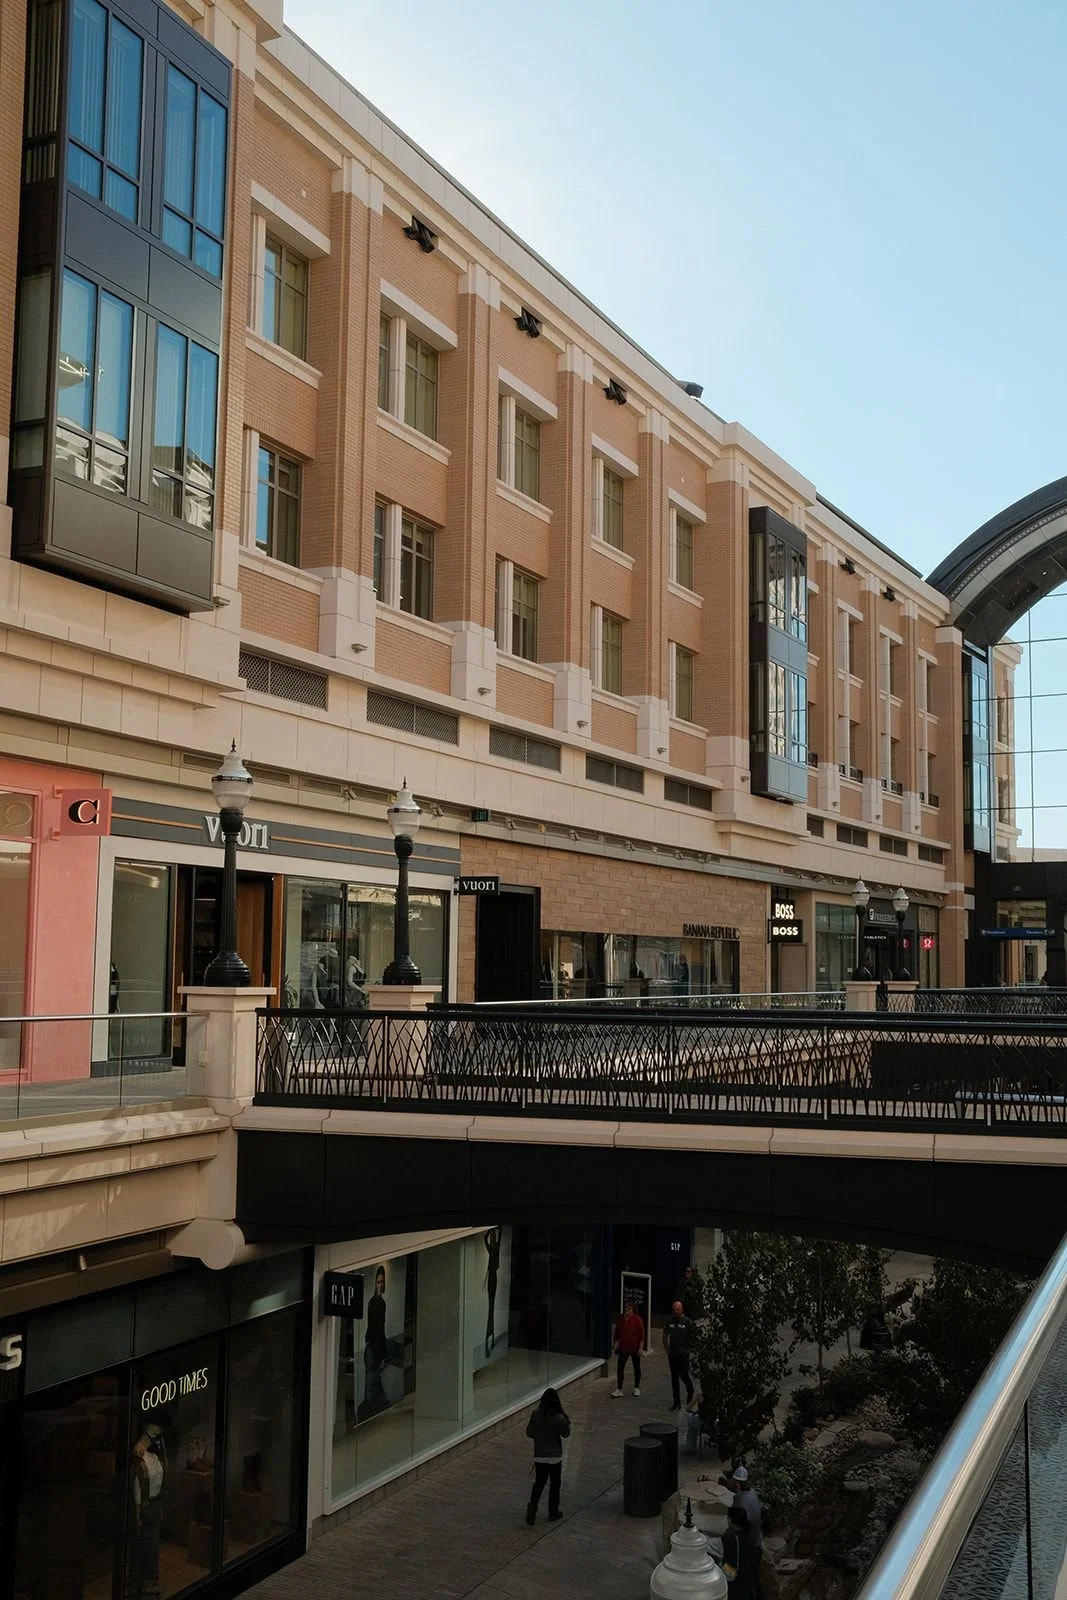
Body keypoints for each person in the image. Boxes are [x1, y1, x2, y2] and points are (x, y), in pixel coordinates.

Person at [524, 1387, 571, 1524]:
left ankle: (532, 1506)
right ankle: (553, 1512)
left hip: (540, 1456)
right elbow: (566, 1434)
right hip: (555, 1457)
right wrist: (566, 1419)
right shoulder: (558, 1418)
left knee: (539, 1483)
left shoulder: (535, 1414)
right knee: (555, 1484)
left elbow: (529, 1433)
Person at [720, 1464, 763, 1556]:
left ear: (736, 1483)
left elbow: (738, 1529)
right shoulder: (752, 1492)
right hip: (756, 1541)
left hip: (747, 1547)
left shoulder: (741, 1503)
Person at [662, 1299, 697, 1410]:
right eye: (674, 1309)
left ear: (681, 1309)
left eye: (678, 1309)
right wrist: (667, 1349)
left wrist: (689, 1350)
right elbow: (665, 1335)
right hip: (673, 1354)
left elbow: (694, 1337)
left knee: (684, 1376)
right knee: (674, 1378)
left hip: (683, 1354)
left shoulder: (688, 1322)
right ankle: (676, 1402)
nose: (676, 1311)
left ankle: (690, 1392)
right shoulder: (669, 1321)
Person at [720, 1504, 760, 1598]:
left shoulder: (729, 1539)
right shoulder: (749, 1537)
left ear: (730, 1520)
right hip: (747, 1586)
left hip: (735, 1588)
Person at [611, 1298, 645, 1397]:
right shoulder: (621, 1319)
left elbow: (642, 1335)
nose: (626, 1309)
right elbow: (617, 1333)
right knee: (620, 1368)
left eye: (629, 1308)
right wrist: (615, 1345)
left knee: (636, 1367)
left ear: (633, 1309)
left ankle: (636, 1387)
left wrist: (640, 1348)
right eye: (625, 1307)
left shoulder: (637, 1319)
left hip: (634, 1347)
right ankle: (619, 1388)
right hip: (623, 1348)